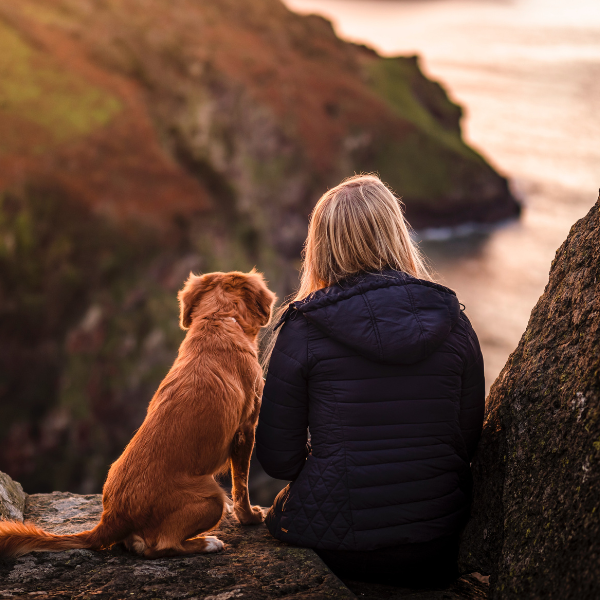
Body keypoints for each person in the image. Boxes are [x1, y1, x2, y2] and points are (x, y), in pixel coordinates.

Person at [255, 174, 485, 585]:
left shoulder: (303, 328)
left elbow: (277, 460)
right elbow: (465, 442)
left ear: (321, 246)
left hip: (340, 550)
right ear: (397, 233)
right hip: (436, 541)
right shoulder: (454, 321)